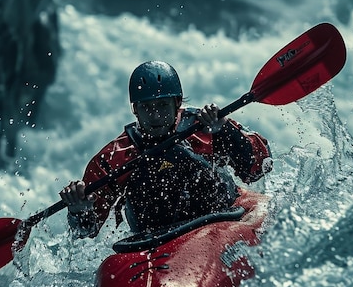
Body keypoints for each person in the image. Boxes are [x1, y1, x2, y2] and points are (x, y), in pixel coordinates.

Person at [60, 61, 272, 239]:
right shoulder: (116, 157)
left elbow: (258, 168)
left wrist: (225, 131)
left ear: (177, 102)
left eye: (162, 105)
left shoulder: (206, 126)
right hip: (156, 237)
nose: (154, 116)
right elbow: (86, 232)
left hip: (224, 214)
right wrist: (79, 210)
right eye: (146, 107)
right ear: (135, 109)